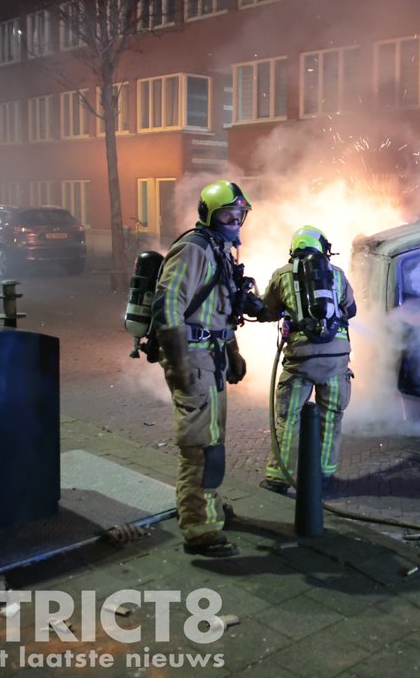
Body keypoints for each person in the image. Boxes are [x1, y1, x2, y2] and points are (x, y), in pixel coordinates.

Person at [153, 180, 253, 558]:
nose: (235, 220)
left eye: (240, 214)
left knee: (212, 439)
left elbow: (219, 310)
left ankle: (206, 505)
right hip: (192, 360)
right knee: (200, 446)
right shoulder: (193, 250)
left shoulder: (220, 251)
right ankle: (200, 529)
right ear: (209, 214)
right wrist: (178, 366)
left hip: (211, 358)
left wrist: (233, 350)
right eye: (228, 213)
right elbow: (168, 308)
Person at [259, 225, 356, 495]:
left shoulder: (282, 275)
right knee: (331, 417)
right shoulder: (336, 275)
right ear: (322, 248)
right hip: (336, 359)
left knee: (288, 418)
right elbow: (351, 310)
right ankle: (324, 476)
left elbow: (266, 311)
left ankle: (278, 478)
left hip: (300, 359)